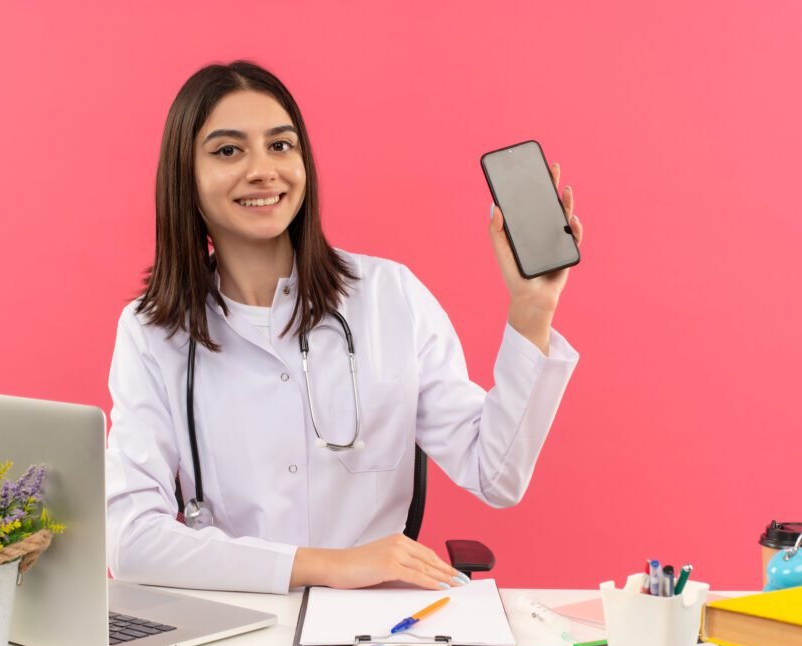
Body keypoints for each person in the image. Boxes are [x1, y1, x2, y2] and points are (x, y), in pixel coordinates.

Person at [105, 60, 584, 594]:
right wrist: (329, 566)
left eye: (281, 146)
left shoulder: (389, 297)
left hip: (373, 626)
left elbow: (495, 474)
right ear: (184, 178)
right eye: (228, 150)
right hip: (236, 624)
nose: (264, 170)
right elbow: (130, 541)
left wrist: (532, 310)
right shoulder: (152, 333)